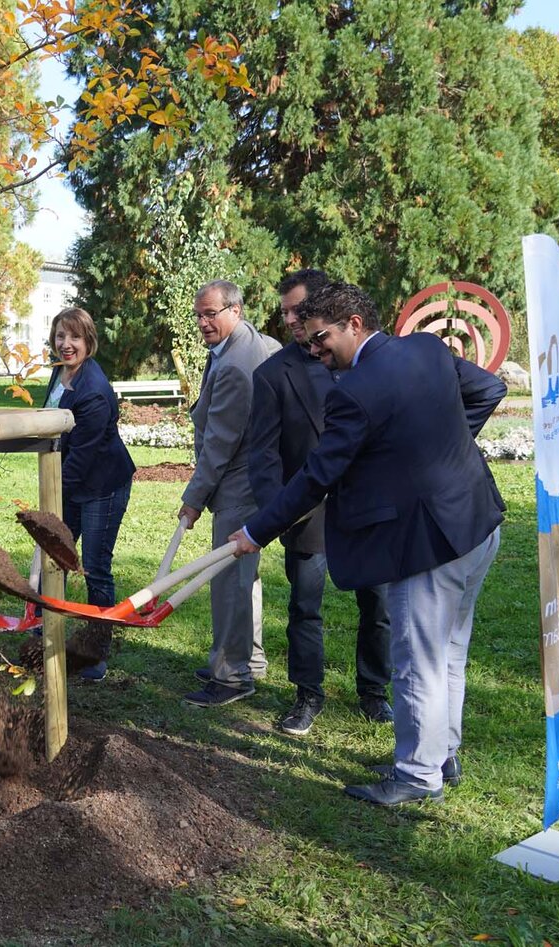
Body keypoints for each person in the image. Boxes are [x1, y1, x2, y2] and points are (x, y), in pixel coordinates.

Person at [232, 282, 505, 806]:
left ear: (355, 324)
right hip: (478, 522)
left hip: (430, 543)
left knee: (418, 658)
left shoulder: (352, 393)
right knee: (449, 651)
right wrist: (433, 449)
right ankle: (441, 753)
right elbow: (487, 390)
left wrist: (254, 531)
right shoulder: (427, 348)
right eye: (310, 341)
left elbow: (316, 477)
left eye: (321, 338)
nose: (315, 350)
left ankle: (417, 775)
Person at [247, 269, 393, 736]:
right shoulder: (273, 374)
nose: (290, 319)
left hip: (370, 508)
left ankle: (374, 692)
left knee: (380, 605)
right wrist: (278, 514)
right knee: (304, 607)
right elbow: (264, 453)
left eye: (297, 309)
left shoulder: (368, 361)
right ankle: (308, 694)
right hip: (307, 513)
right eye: (285, 311)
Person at [179, 280, 280, 708]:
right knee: (244, 577)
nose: (203, 322)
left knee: (229, 581)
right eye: (199, 315)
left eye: (211, 314)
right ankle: (248, 660)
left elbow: (220, 441)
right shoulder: (250, 342)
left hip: (241, 483)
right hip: (251, 478)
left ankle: (232, 676)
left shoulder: (239, 363)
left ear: (235, 311)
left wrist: (193, 498)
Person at [43, 307, 137, 682]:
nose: (66, 345)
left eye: (74, 338)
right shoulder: (58, 374)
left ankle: (96, 654)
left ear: (88, 341)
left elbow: (81, 457)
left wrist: (51, 496)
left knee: (96, 567)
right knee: (55, 557)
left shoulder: (94, 390)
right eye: (60, 336)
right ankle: (45, 631)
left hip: (102, 487)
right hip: (71, 481)